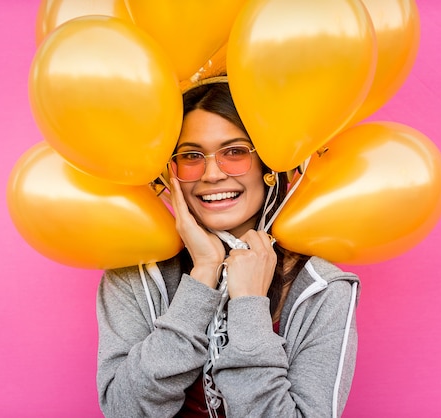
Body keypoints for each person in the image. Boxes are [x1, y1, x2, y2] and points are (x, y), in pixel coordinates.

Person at [96, 77, 360, 417]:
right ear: (169, 173)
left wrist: (249, 306)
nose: (212, 174)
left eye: (234, 152)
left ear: (270, 164)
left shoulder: (322, 289)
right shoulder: (135, 275)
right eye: (190, 156)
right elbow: (125, 412)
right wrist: (202, 277)